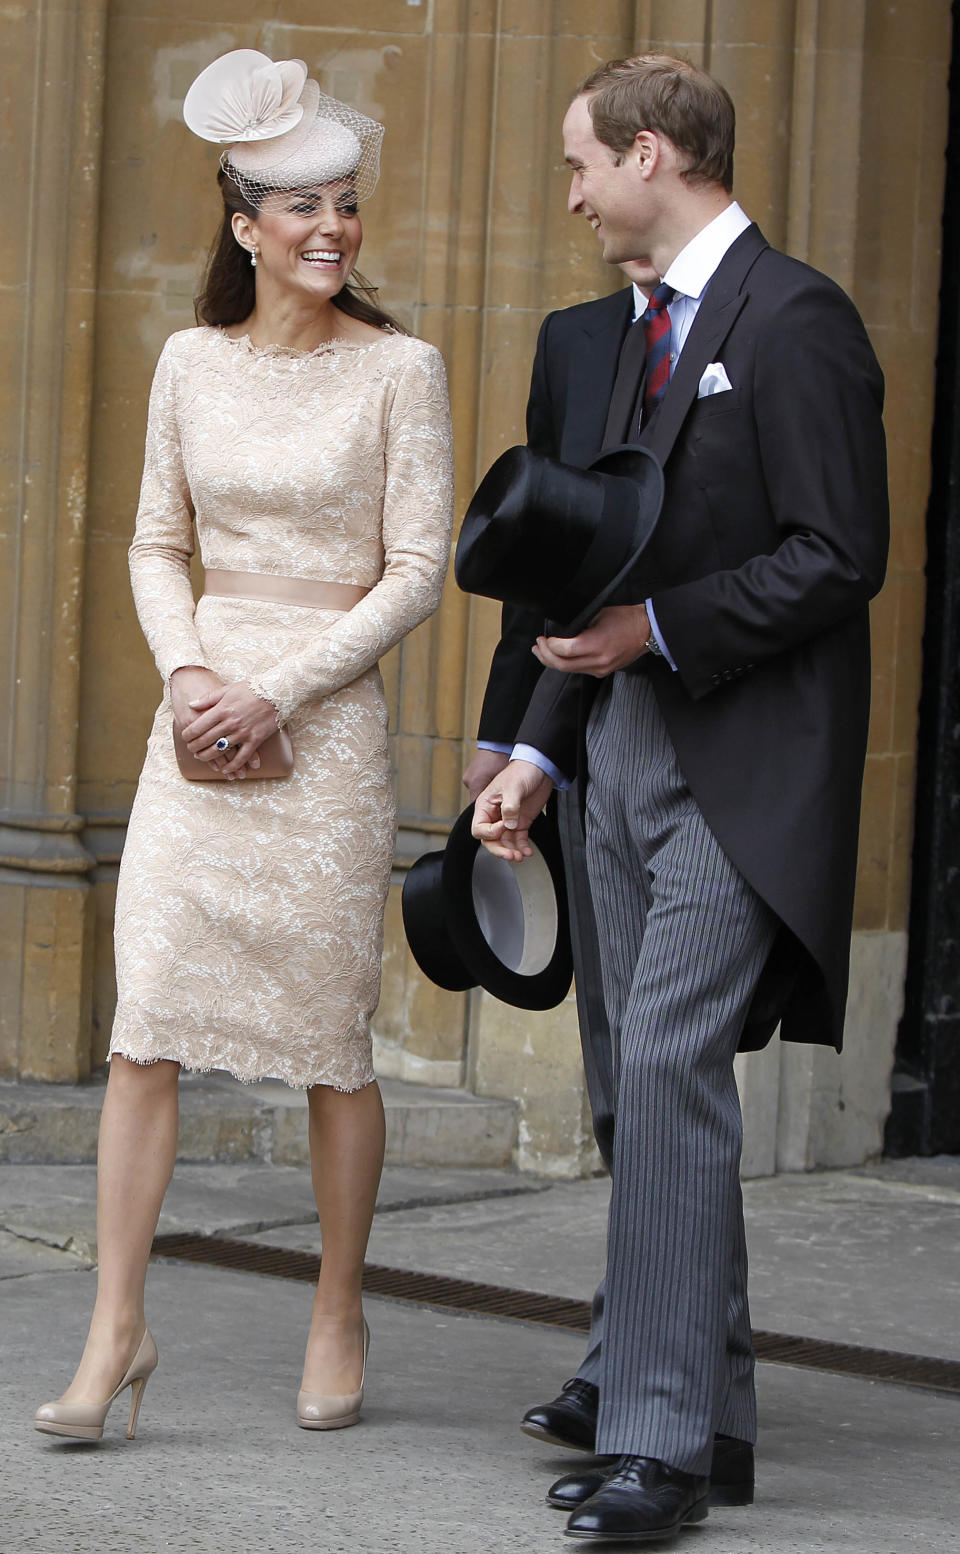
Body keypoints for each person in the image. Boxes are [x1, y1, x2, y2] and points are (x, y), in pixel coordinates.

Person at [469, 54, 888, 1544]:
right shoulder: (633, 332)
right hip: (620, 751)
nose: (572, 193)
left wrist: (653, 629)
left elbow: (840, 554)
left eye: (583, 162)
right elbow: (591, 571)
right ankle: (711, 1406)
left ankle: (661, 1447)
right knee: (645, 1082)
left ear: (655, 154)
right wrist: (533, 742)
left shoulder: (800, 317)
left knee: (664, 1069)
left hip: (742, 758)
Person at [34, 50, 453, 1443]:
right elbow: (156, 539)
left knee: (335, 1043)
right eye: (303, 208)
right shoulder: (188, 361)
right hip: (197, 729)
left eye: (346, 203)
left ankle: (339, 1305)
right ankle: (116, 1329)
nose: (333, 227)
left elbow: (415, 570)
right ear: (244, 226)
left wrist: (279, 690)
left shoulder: (402, 369)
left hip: (322, 741)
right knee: (143, 1024)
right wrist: (196, 674)